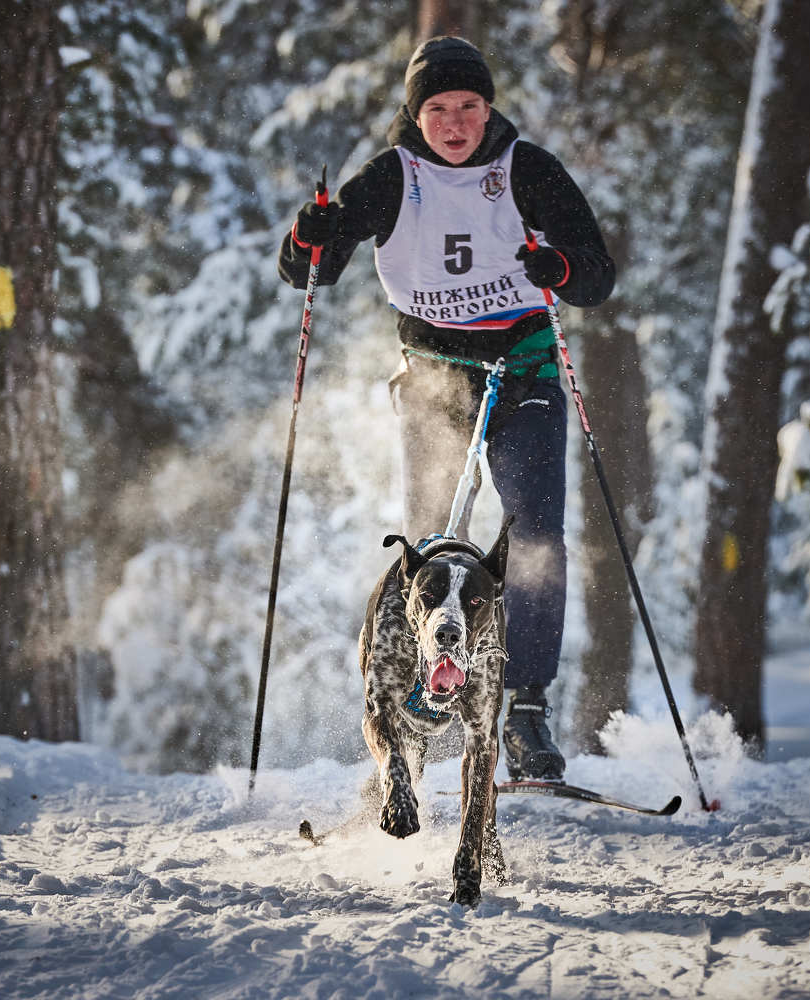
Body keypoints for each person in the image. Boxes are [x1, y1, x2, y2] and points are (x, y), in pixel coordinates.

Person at [278, 36, 615, 781]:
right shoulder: (393, 178)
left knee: (532, 537)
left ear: (488, 106)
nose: (455, 123)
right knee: (429, 543)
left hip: (521, 373)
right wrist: (311, 234)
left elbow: (596, 275)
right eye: (438, 109)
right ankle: (426, 697)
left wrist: (557, 267)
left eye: (468, 106)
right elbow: (309, 270)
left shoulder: (526, 170)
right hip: (436, 379)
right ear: (416, 114)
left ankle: (524, 709)